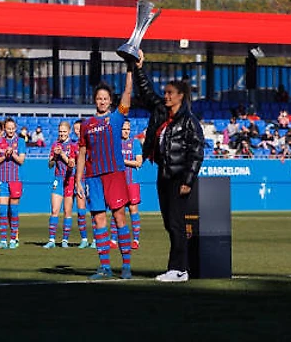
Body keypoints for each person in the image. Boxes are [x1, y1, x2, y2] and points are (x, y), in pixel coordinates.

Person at [133, 50, 205, 283]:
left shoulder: (189, 122)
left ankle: (179, 269)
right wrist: (139, 68)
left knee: (176, 223)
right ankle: (176, 268)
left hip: (177, 178)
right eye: (165, 93)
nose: (165, 96)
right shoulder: (162, 113)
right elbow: (146, 93)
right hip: (163, 174)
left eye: (170, 93)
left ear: (181, 96)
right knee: (169, 223)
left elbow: (196, 154)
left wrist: (187, 181)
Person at [74, 68, 134, 280]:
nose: (102, 101)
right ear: (95, 100)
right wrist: (78, 180)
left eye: (105, 98)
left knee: (119, 217)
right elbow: (82, 153)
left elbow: (127, 93)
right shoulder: (86, 125)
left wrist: (130, 69)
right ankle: (104, 267)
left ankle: (126, 266)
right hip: (93, 178)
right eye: (99, 98)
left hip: (114, 175)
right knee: (99, 220)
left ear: (110, 101)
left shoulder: (117, 118)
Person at [0, 117, 26, 249]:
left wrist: (12, 154)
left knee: (14, 210)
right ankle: (2, 240)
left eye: (13, 128)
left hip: (15, 179)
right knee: (3, 210)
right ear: (4, 129)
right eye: (8, 128)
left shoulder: (21, 141)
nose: (10, 130)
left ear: (15, 128)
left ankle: (13, 239)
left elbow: (21, 160)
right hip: (2, 180)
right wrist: (4, 155)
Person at [43, 121, 78, 249]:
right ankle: (51, 239)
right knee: (54, 210)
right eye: (60, 132)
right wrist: (54, 157)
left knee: (67, 211)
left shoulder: (73, 145)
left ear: (69, 132)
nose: (62, 134)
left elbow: (71, 164)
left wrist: (62, 154)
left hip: (70, 180)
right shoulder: (55, 145)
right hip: (58, 179)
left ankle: (65, 240)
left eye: (64, 131)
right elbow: (50, 165)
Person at [109, 119, 143, 250]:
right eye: (123, 129)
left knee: (133, 210)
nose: (126, 131)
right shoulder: (114, 143)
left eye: (128, 129)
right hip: (118, 182)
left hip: (131, 181)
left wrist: (122, 161)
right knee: (117, 210)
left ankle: (135, 240)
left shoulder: (134, 143)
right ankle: (113, 240)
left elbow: (138, 163)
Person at [71, 119, 93, 249]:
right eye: (75, 130)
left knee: (95, 210)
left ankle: (96, 239)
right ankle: (84, 239)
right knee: (81, 211)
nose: (77, 132)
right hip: (79, 181)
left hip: (91, 179)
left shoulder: (91, 144)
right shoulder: (73, 145)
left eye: (79, 129)